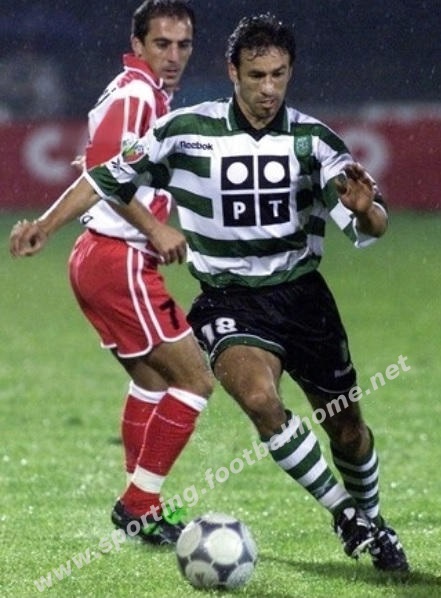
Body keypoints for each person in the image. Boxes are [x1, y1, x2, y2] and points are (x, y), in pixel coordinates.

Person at [10, 14, 408, 572]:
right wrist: (45, 225)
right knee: (261, 401)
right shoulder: (186, 131)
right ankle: (346, 516)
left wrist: (366, 213)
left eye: (279, 75)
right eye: (256, 75)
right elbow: (105, 176)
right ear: (232, 72)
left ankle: (372, 518)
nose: (268, 89)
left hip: (303, 300)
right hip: (227, 301)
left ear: (290, 73)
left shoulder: (314, 142)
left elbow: (374, 224)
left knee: (347, 427)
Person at [11, 0, 214, 547]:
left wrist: (47, 225)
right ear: (139, 45)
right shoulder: (138, 95)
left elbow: (100, 172)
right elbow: (107, 173)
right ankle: (138, 504)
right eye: (162, 44)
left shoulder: (134, 91)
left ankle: (141, 506)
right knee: (195, 380)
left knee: (152, 382)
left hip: (98, 257)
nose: (174, 55)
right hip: (119, 259)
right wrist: (156, 228)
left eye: (184, 45)